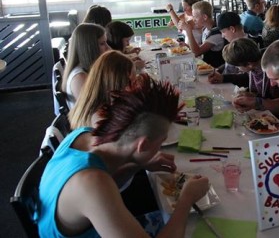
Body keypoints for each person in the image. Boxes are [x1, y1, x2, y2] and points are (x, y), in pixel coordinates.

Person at [38, 73, 210, 237]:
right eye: (161, 142)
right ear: (142, 145)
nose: (160, 148)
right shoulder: (92, 183)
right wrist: (186, 199)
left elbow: (106, 183)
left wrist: (139, 165)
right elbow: (98, 188)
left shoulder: (84, 135)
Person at [69, 50, 135, 129]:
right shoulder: (101, 121)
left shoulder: (91, 103)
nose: (135, 86)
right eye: (131, 82)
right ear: (116, 84)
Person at [213, 38, 279, 101]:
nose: (237, 69)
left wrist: (255, 97)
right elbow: (246, 77)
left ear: (249, 64)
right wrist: (223, 78)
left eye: (238, 66)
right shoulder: (254, 64)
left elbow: (274, 99)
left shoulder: (271, 73)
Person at [62, 23, 111, 109]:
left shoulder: (87, 69)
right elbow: (95, 114)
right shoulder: (79, 78)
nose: (108, 48)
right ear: (89, 47)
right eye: (102, 44)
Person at [178, 0, 225, 68]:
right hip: (205, 66)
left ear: (205, 17)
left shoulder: (216, 34)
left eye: (195, 17)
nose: (193, 20)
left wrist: (188, 31)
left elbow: (196, 52)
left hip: (213, 70)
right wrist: (188, 47)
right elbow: (200, 48)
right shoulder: (205, 29)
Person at [208, 11, 247, 79]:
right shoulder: (233, 42)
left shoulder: (248, 47)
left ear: (232, 29)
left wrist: (223, 78)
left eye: (223, 32)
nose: (222, 36)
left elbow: (247, 76)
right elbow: (230, 64)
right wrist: (217, 70)